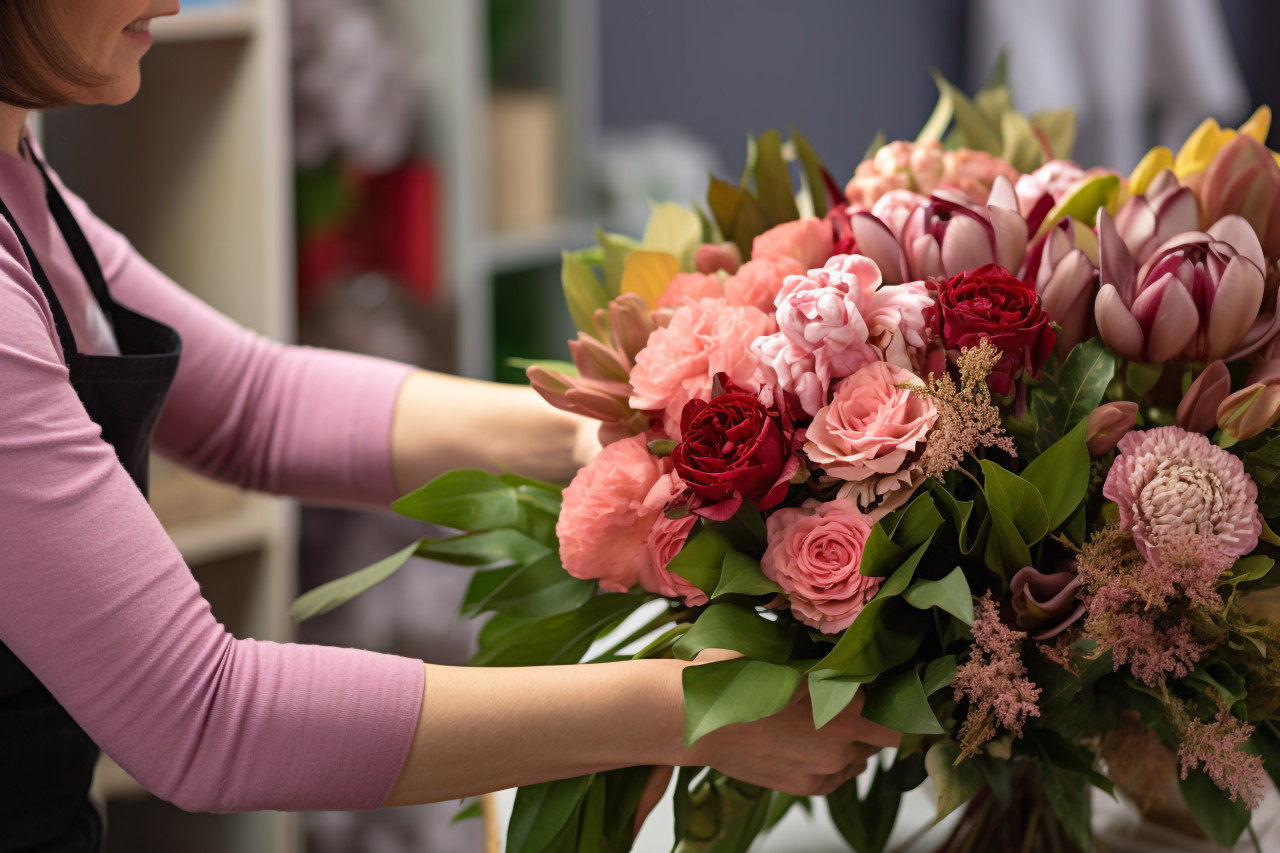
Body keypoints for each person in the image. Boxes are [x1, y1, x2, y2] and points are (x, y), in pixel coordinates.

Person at [0, 2, 900, 850]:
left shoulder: (17, 167)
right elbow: (201, 717)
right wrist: (692, 710)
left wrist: (611, 441)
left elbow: (252, 403)